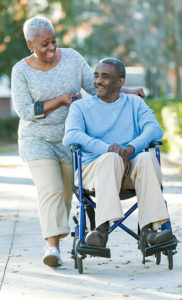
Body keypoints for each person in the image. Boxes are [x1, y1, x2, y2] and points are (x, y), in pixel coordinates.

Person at [11, 16, 144, 268]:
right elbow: (26, 111)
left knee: (65, 194)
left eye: (53, 42)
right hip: (37, 139)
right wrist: (60, 100)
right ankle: (52, 247)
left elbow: (97, 88)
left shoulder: (71, 58)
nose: (51, 49)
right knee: (49, 188)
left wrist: (127, 91)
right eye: (44, 45)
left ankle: (59, 242)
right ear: (30, 45)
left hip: (72, 140)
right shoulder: (21, 71)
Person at [63, 58, 173, 260]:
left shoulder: (134, 103)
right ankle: (101, 229)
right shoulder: (81, 107)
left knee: (147, 159)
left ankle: (149, 231)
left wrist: (130, 148)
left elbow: (154, 129)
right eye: (96, 76)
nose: (98, 81)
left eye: (105, 77)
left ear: (120, 81)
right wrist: (110, 150)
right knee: (110, 159)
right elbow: (71, 136)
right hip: (94, 172)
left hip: (130, 172)